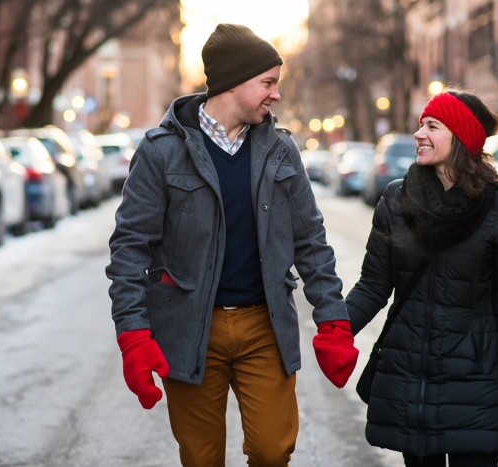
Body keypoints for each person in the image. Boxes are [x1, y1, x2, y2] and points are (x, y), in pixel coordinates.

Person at [105, 23, 358, 467]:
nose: (275, 95)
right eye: (268, 83)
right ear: (234, 83)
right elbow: (130, 247)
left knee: (272, 450)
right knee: (201, 458)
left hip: (265, 326)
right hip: (189, 329)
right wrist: (132, 333)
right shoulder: (161, 151)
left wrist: (333, 320)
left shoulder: (281, 151)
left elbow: (311, 242)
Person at [345, 89, 498, 467]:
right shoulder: (396, 201)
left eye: (432, 126)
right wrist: (337, 328)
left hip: (474, 385)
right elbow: (373, 285)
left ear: (460, 138)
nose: (419, 133)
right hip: (411, 382)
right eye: (420, 125)